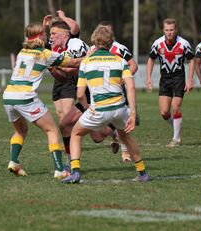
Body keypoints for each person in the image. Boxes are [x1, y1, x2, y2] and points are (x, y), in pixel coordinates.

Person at [61, 25, 150, 184]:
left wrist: (87, 107)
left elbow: (80, 94)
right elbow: (130, 86)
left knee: (75, 134)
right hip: (120, 108)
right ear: (111, 42)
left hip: (99, 109)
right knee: (126, 137)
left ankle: (75, 172)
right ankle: (142, 172)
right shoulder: (120, 61)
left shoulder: (86, 62)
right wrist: (133, 113)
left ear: (94, 41)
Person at [2, 22, 82, 178]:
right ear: (41, 37)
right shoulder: (45, 54)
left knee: (21, 130)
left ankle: (14, 162)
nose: (48, 36)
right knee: (52, 130)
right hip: (25, 96)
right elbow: (74, 62)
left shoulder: (22, 52)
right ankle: (60, 170)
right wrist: (92, 53)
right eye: (46, 34)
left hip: (8, 95)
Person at [146, 18, 194, 147]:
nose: (169, 32)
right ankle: (177, 126)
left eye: (171, 30)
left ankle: (176, 138)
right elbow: (151, 59)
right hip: (165, 79)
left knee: (175, 107)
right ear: (163, 30)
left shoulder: (184, 43)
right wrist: (149, 78)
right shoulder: (157, 43)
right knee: (164, 112)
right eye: (167, 30)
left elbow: (192, 60)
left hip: (179, 78)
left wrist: (189, 80)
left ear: (176, 29)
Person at [47, 20, 89, 167]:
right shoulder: (64, 51)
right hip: (89, 93)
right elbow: (65, 77)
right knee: (65, 126)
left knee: (95, 134)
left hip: (98, 91)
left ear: (65, 34)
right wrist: (52, 69)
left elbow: (77, 67)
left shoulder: (75, 44)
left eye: (53, 33)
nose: (50, 37)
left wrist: (56, 64)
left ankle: (124, 118)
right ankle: (70, 162)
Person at [95, 21, 139, 162]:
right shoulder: (93, 49)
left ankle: (125, 153)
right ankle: (114, 135)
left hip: (118, 91)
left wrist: (122, 79)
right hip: (100, 93)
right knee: (99, 133)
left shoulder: (119, 48)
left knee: (123, 120)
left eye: (107, 31)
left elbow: (133, 65)